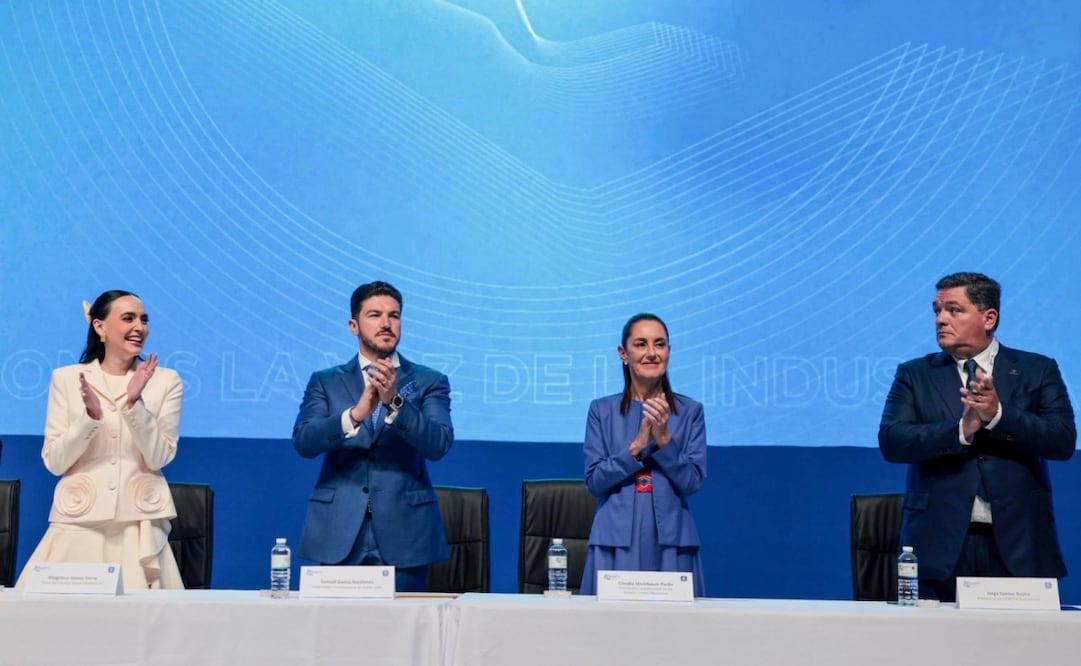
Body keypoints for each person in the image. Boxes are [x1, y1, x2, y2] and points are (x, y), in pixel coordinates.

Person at [879, 272, 1076, 602]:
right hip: (939, 546)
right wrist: (962, 430)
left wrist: (998, 415)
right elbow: (893, 441)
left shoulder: (1037, 369)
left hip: (1020, 545)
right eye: (937, 311)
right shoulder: (915, 374)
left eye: (954, 310)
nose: (941, 319)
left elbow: (1062, 440)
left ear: (989, 318)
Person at [292, 281, 454, 592]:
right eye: (375, 315)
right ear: (353, 325)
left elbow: (438, 444)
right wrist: (354, 415)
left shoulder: (429, 381)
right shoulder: (326, 381)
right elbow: (304, 442)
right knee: (338, 623)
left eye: (394, 316)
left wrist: (395, 402)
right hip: (340, 530)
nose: (386, 323)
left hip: (405, 533)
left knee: (404, 624)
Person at [17, 290, 184, 590]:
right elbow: (55, 462)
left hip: (139, 525)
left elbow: (160, 457)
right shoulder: (67, 379)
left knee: (143, 616)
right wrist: (90, 418)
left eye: (144, 320)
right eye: (128, 318)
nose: (139, 327)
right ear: (100, 327)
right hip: (78, 520)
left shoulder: (165, 380)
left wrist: (134, 404)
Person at [580, 313, 707, 596]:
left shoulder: (690, 411)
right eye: (641, 344)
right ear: (623, 354)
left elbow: (692, 482)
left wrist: (664, 440)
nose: (651, 353)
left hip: (672, 541)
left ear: (669, 352)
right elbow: (594, 482)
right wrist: (636, 445)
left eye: (659, 344)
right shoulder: (601, 411)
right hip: (614, 541)